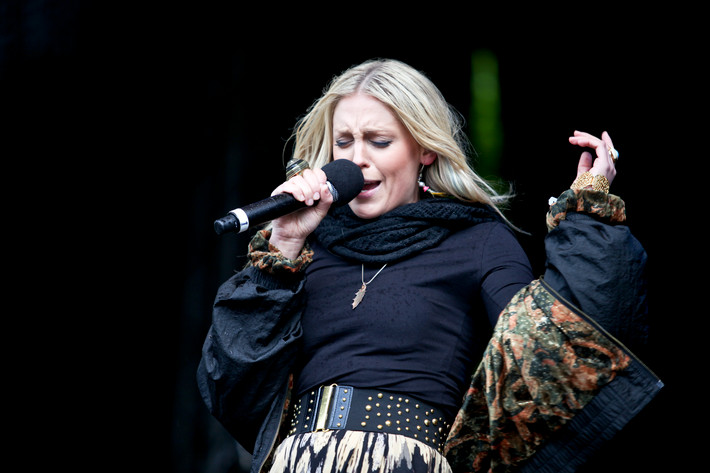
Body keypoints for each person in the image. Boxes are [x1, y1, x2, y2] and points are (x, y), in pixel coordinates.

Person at [197, 59, 662, 473]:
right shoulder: (306, 248)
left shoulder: (477, 241)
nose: (357, 160)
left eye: (379, 141)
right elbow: (231, 383)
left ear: (425, 149)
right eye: (344, 142)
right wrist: (284, 243)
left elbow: (553, 349)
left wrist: (587, 210)